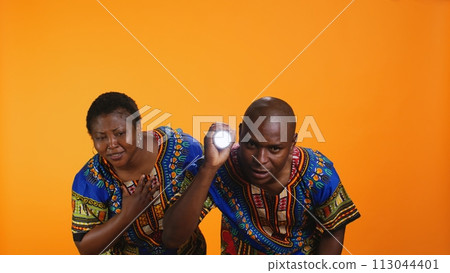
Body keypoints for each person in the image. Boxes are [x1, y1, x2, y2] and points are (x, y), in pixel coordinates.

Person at [163, 97, 361, 254]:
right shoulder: (221, 168)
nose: (260, 158)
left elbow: (332, 230)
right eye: (251, 144)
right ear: (240, 133)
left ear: (292, 144)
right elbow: (172, 237)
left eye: (274, 148)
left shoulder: (317, 173)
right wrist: (209, 168)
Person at [71, 92, 211, 254]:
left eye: (120, 133)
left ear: (137, 127)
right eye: (101, 138)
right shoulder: (92, 178)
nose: (112, 144)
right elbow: (86, 248)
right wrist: (127, 215)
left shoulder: (183, 150)